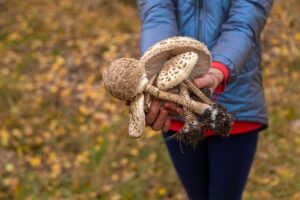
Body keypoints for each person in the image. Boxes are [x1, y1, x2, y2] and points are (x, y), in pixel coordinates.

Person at [137, 0, 273, 200]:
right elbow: (157, 12)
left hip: (235, 99)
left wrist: (218, 69)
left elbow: (245, 21)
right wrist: (154, 70)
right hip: (176, 105)